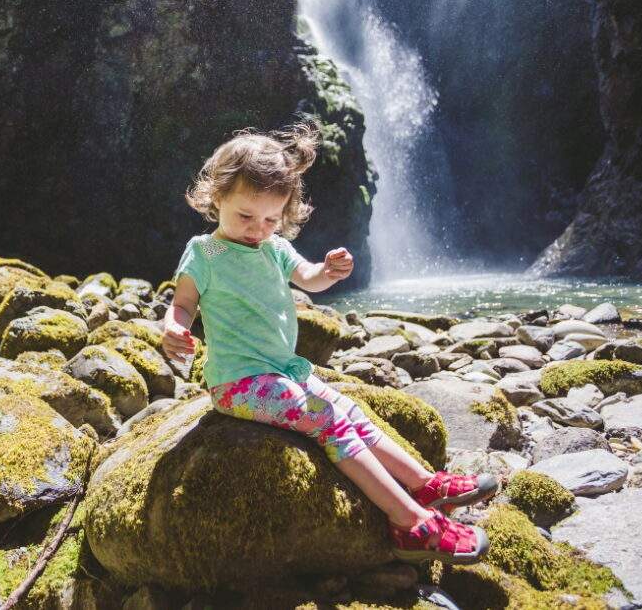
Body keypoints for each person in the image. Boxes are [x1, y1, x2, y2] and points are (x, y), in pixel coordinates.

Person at [163, 123, 496, 564]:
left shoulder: (274, 249)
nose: (257, 229)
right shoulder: (205, 253)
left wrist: (330, 270)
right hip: (238, 381)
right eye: (246, 216)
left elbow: (310, 279)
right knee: (328, 421)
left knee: (351, 411)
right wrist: (173, 328)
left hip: (283, 370)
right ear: (216, 197)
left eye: (270, 219)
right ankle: (408, 521)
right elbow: (183, 305)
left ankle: (423, 482)